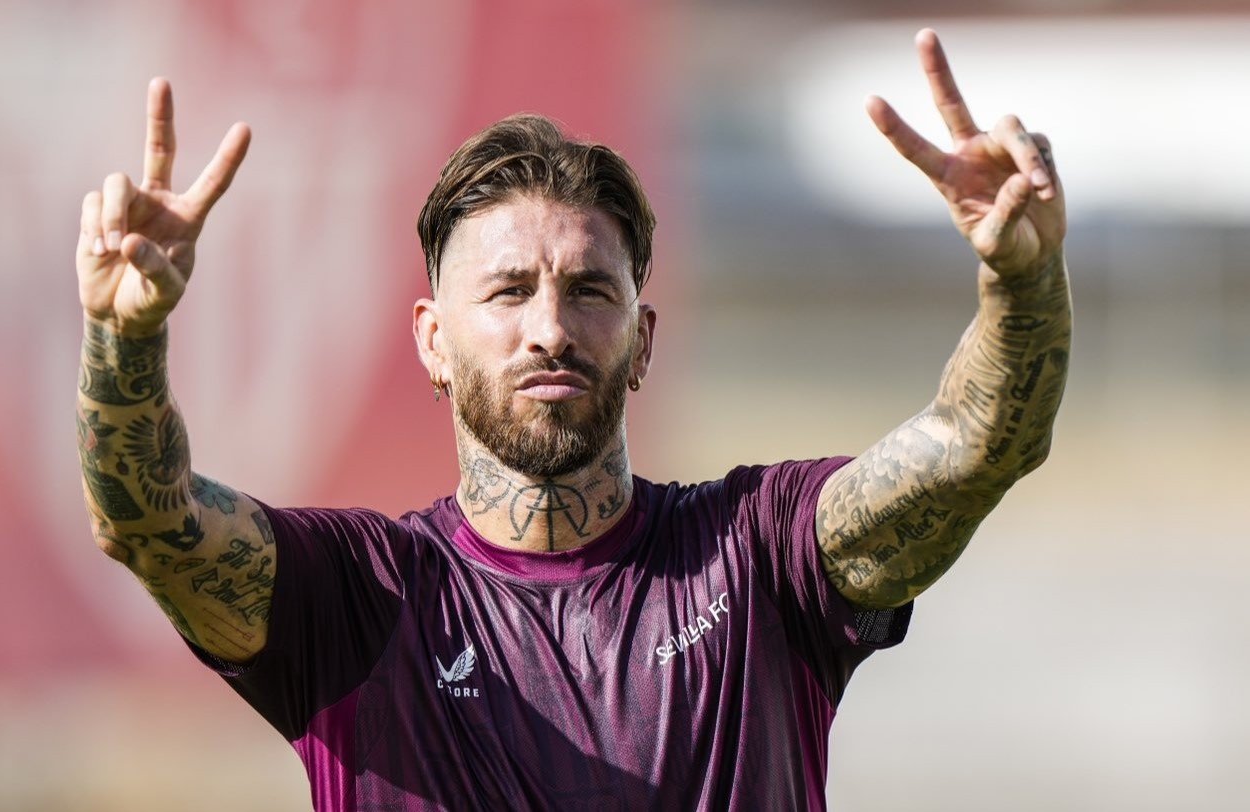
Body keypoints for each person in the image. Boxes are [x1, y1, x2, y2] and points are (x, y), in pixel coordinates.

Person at [74, 29, 1069, 811]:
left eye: (589, 290)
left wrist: (1020, 281)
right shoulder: (355, 598)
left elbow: (979, 442)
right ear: (431, 339)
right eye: (507, 290)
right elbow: (147, 521)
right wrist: (124, 336)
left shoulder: (763, 553)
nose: (550, 327)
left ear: (641, 338)